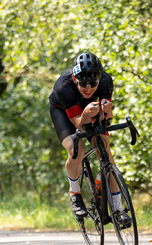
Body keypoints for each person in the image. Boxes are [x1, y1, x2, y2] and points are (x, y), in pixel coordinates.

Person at [49, 52, 131, 224]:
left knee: (105, 150)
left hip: (89, 107)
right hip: (64, 111)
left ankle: (118, 208)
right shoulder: (64, 86)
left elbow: (105, 122)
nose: (88, 88)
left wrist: (108, 112)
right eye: (83, 84)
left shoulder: (106, 81)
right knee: (76, 150)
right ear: (74, 78)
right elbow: (79, 124)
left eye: (93, 84)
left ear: (99, 79)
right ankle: (74, 192)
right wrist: (86, 114)